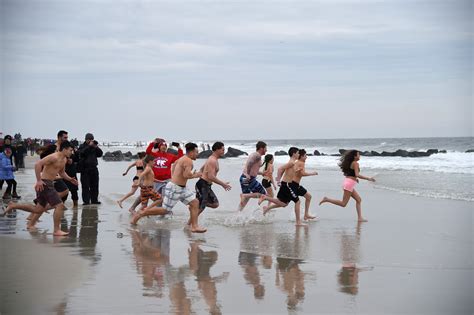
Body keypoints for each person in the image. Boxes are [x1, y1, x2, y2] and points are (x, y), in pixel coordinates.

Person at [3, 141, 79, 236]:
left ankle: (13, 205)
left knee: (38, 210)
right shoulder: (53, 157)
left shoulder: (64, 159)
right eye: (70, 150)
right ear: (64, 149)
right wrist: (39, 180)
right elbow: (38, 164)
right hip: (45, 183)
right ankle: (56, 230)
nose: (72, 152)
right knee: (59, 205)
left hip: (49, 184)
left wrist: (70, 179)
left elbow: (62, 173)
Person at [154, 143, 206, 233]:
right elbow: (186, 175)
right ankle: (141, 213)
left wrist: (174, 177)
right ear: (192, 152)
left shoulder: (181, 158)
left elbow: (174, 166)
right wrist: (196, 175)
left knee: (195, 202)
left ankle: (194, 226)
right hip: (175, 188)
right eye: (196, 152)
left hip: (181, 187)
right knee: (165, 210)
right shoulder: (189, 161)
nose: (197, 154)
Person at [319, 150, 375, 222]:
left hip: (348, 183)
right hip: (349, 184)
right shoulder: (355, 163)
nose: (359, 156)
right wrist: (368, 178)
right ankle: (327, 199)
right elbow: (357, 174)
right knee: (343, 204)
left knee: (358, 200)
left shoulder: (351, 163)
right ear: (354, 156)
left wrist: (355, 179)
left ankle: (360, 218)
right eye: (358, 155)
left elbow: (351, 174)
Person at [258, 147, 306, 226]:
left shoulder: (293, 162)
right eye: (298, 153)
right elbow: (280, 168)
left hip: (287, 184)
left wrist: (297, 170)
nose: (299, 154)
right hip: (287, 185)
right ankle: (298, 222)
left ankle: (267, 207)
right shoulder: (292, 162)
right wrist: (278, 179)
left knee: (284, 204)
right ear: (294, 154)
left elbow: (287, 171)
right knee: (297, 201)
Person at [195, 141, 231, 212]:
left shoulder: (212, 159)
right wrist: (223, 184)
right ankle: (190, 222)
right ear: (217, 149)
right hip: (203, 185)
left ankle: (195, 202)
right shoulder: (212, 160)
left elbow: (202, 169)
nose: (224, 151)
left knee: (215, 204)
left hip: (206, 185)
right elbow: (211, 176)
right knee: (201, 208)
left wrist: (202, 175)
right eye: (222, 150)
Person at [238, 141, 268, 211]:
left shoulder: (257, 156)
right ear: (261, 148)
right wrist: (248, 173)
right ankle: (244, 195)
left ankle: (237, 213)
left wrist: (262, 173)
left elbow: (254, 170)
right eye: (265, 148)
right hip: (248, 178)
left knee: (245, 199)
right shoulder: (257, 155)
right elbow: (250, 162)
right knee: (263, 194)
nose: (266, 150)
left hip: (244, 177)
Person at [78, 133, 103, 205]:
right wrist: (89, 146)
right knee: (85, 186)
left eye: (92, 139)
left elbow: (100, 154)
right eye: (89, 139)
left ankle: (94, 200)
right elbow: (81, 153)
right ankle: (86, 201)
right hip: (85, 169)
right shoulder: (82, 146)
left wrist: (96, 147)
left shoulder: (94, 147)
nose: (91, 141)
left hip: (94, 169)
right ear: (86, 139)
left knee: (95, 186)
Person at [293, 149, 318, 221]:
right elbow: (303, 174)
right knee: (283, 203)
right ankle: (305, 216)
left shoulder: (297, 162)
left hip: (294, 184)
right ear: (301, 156)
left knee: (308, 197)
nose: (306, 157)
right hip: (294, 185)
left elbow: (298, 173)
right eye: (305, 156)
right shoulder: (301, 163)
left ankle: (306, 215)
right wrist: (312, 173)